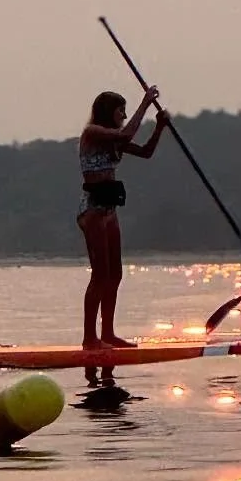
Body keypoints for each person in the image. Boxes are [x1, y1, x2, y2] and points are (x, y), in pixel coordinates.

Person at [77, 87, 167, 348]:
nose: (125, 116)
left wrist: (160, 127)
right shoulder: (93, 133)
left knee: (115, 274)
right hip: (92, 210)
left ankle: (107, 333)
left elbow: (146, 152)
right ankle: (89, 338)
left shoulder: (115, 139)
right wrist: (146, 103)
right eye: (121, 111)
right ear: (108, 113)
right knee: (100, 275)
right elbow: (127, 132)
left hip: (109, 211)